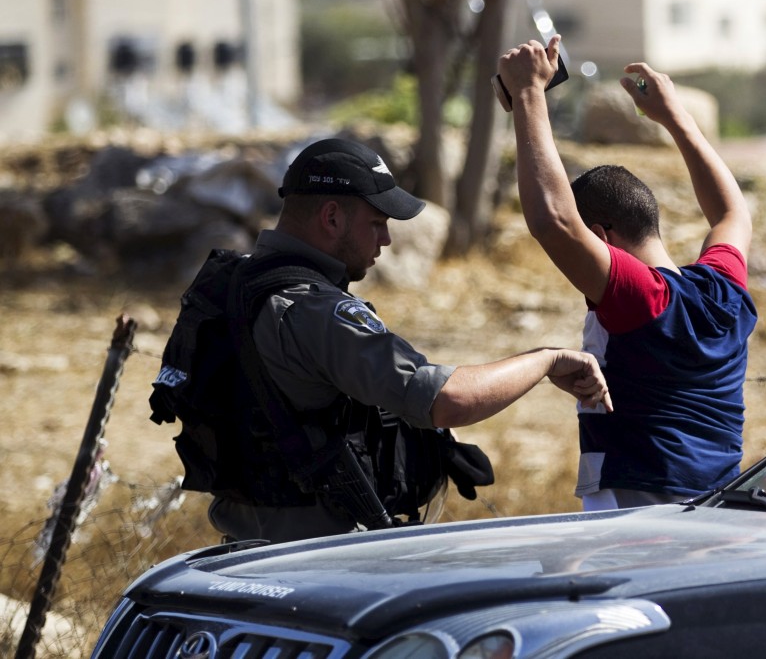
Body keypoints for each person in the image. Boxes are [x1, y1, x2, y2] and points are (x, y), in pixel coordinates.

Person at [207, 137, 611, 543]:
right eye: (377, 223)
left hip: (242, 547)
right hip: (316, 559)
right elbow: (447, 400)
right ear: (332, 218)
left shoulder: (232, 283)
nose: (385, 240)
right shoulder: (315, 311)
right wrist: (546, 360)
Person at [497, 36, 757, 511]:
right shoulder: (724, 292)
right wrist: (675, 118)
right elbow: (731, 214)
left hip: (643, 517)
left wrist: (529, 95)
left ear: (602, 236)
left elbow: (553, 221)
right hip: (720, 506)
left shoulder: (642, 298)